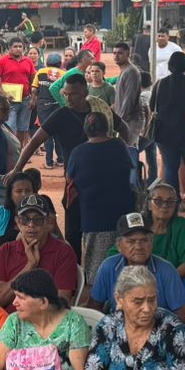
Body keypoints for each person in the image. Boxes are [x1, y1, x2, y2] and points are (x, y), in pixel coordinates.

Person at [90, 212, 185, 325]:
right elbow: (93, 306)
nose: (138, 247)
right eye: (131, 241)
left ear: (152, 243)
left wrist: (158, 331)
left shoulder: (166, 270)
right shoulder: (109, 267)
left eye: (144, 240)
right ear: (119, 246)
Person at [67, 111, 138, 266]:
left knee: (96, 267)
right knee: (124, 264)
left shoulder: (78, 152)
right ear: (107, 128)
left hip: (93, 219)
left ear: (85, 130)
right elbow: (129, 168)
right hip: (122, 217)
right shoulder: (119, 145)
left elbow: (70, 179)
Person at [0, 193, 78, 306]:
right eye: (25, 219)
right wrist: (29, 266)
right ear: (17, 222)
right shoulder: (6, 250)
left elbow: (61, 303)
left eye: (38, 220)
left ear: (48, 222)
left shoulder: (64, 252)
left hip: (44, 317)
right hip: (7, 317)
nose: (31, 225)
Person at [151, 52, 185, 209]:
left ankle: (176, 202)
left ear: (170, 65)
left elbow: (152, 106)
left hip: (165, 134)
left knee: (170, 167)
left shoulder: (160, 84)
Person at [143, 181, 185, 279]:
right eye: (158, 201)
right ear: (149, 205)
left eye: (170, 202)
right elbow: (116, 254)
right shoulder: (139, 224)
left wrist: (166, 280)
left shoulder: (180, 225)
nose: (165, 205)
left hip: (170, 281)